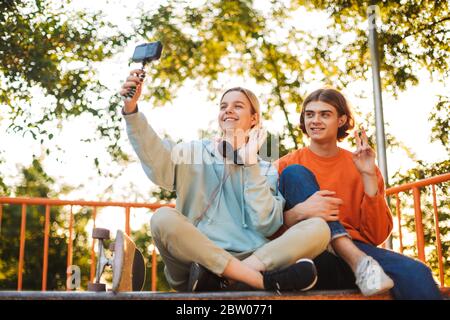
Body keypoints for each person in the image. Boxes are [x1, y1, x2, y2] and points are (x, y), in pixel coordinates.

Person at [119, 69, 331, 293]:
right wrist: (131, 111)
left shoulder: (265, 168)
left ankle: (230, 278)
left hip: (252, 257)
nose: (228, 109)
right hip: (196, 265)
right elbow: (157, 163)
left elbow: (265, 224)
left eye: (238, 105)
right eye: (223, 106)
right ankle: (260, 281)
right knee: (162, 217)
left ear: (254, 119)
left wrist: (250, 164)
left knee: (318, 228)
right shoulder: (193, 152)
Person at [274, 87, 443, 299]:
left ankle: (351, 256)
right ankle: (351, 255)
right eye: (310, 114)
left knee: (417, 272)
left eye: (324, 114)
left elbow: (376, 235)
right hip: (307, 252)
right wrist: (299, 212)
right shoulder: (283, 166)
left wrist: (368, 177)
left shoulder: (362, 165)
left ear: (342, 120)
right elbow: (267, 227)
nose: (315, 120)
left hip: (359, 256)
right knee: (295, 173)